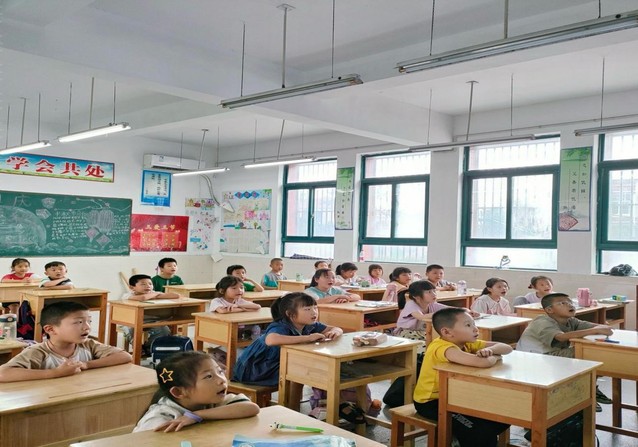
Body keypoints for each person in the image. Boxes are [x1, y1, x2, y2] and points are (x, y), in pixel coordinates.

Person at [413, 307, 512, 447]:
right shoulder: (442, 347)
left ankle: (462, 439)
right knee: (479, 432)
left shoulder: (466, 343)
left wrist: (490, 350)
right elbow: (482, 362)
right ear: (447, 332)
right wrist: (495, 356)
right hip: (432, 403)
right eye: (468, 325)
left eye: (474, 324)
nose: (475, 329)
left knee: (502, 417)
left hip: (456, 397)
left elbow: (507, 347)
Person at [516, 292, 613, 412]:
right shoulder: (542, 320)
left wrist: (602, 327)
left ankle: (591, 389)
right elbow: (560, 337)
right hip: (534, 358)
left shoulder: (571, 321)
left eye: (570, 302)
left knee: (594, 353)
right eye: (562, 303)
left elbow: (595, 327)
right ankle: (586, 392)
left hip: (552, 355)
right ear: (549, 310)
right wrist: (593, 331)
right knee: (588, 353)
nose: (569, 305)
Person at [0, 301, 131, 382]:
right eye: (79, 322)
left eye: (89, 321)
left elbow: (125, 356)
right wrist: (55, 373)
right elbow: (3, 373)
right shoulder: (38, 351)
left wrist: (86, 364)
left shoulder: (88, 344)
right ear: (50, 329)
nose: (87, 327)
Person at [232, 292, 343, 386]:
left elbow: (336, 328)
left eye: (315, 308)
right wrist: (308, 338)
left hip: (275, 365)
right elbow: (271, 340)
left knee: (307, 368)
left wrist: (335, 332)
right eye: (307, 309)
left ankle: (307, 399)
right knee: (301, 370)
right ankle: (293, 403)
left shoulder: (310, 324)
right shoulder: (281, 326)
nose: (314, 312)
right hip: (255, 369)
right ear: (290, 314)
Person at [134, 351, 259, 432]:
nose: (222, 380)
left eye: (220, 372)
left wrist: (197, 415)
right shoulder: (160, 417)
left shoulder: (214, 401)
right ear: (178, 392)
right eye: (208, 376)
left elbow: (251, 408)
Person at [395, 281, 477, 348]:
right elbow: (421, 317)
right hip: (407, 333)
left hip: (423, 333)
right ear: (416, 296)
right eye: (429, 292)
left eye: (434, 291)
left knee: (446, 342)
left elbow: (450, 309)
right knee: (429, 346)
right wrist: (439, 313)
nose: (434, 294)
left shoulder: (431, 304)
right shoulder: (411, 304)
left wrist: (466, 310)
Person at [121, 274, 176, 350]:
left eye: (150, 284)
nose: (148, 286)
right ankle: (137, 346)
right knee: (130, 329)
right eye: (143, 284)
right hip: (130, 320)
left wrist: (155, 294)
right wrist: (156, 294)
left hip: (150, 320)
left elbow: (176, 295)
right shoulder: (127, 295)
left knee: (164, 330)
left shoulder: (152, 293)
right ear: (132, 287)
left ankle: (148, 347)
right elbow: (143, 298)